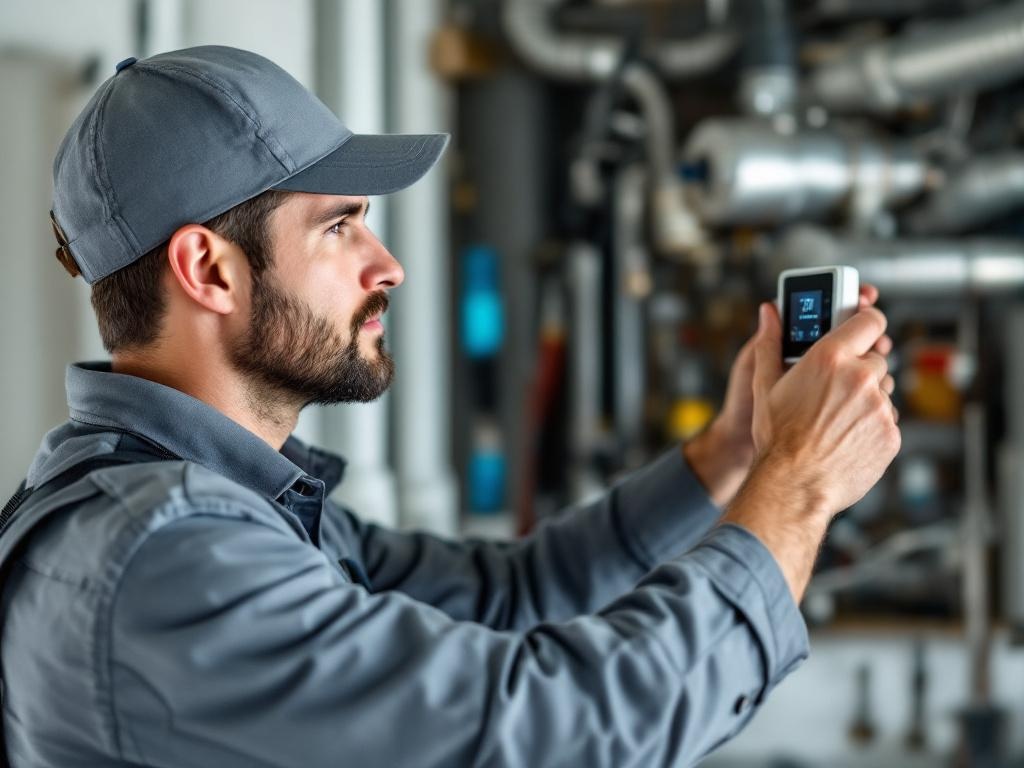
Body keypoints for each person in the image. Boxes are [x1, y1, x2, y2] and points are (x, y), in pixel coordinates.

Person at [0, 46, 899, 768]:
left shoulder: (219, 506)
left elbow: (507, 599)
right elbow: (560, 732)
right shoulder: (171, 558)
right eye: (340, 225)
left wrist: (734, 453)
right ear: (209, 270)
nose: (387, 264)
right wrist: (800, 489)